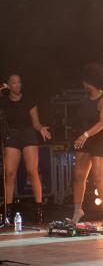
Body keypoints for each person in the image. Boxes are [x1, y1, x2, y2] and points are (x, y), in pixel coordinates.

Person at [2, 74, 51, 224]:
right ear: (8, 85)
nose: (17, 85)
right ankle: (8, 211)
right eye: (14, 83)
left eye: (19, 82)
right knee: (9, 173)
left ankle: (39, 209)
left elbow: (35, 122)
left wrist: (41, 128)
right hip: (12, 135)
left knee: (32, 170)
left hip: (28, 133)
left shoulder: (29, 100)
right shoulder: (4, 101)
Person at [72, 63, 103, 226]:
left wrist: (85, 135)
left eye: (85, 82)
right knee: (78, 176)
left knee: (98, 176)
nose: (83, 84)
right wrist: (81, 136)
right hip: (85, 139)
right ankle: (77, 211)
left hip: (100, 140)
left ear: (91, 83)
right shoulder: (84, 99)